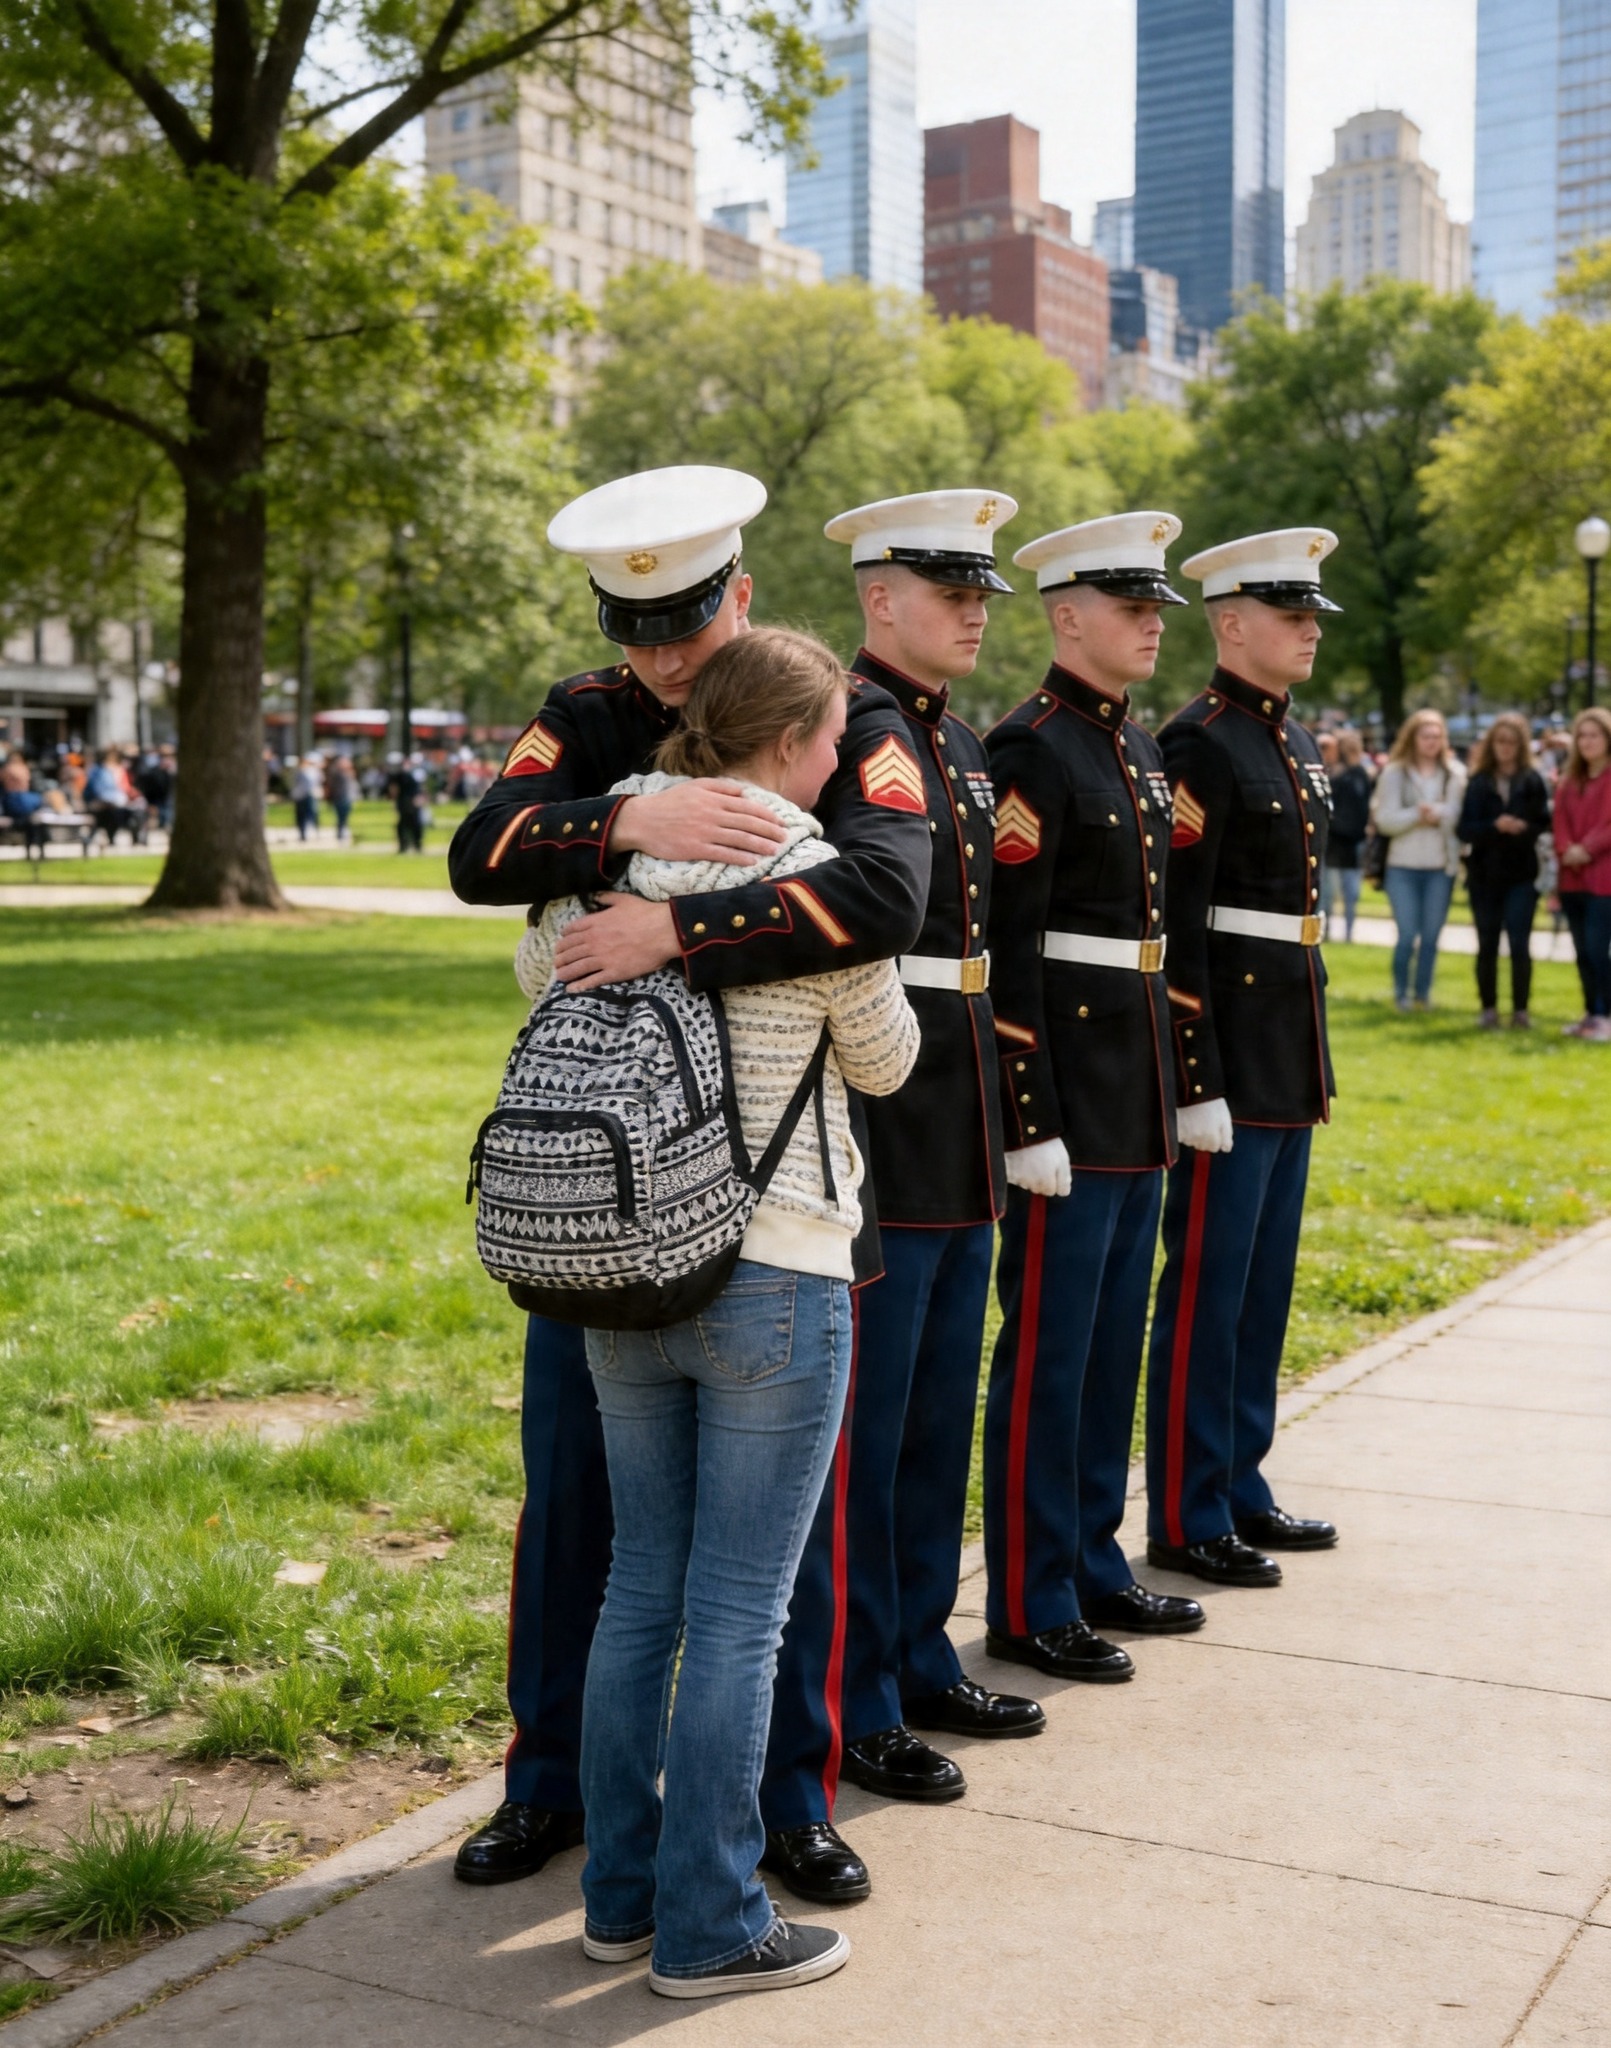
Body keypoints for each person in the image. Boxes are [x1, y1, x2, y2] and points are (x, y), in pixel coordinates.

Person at [445, 467, 928, 1891]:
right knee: (580, 1508)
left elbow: (887, 893)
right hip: (605, 1186)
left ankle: (787, 1798)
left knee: (767, 1550)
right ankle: (555, 1789)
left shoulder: (843, 710)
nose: (662, 657)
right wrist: (623, 826)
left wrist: (676, 931)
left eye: (687, 619)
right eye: (636, 626)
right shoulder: (589, 712)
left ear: (743, 595)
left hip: (765, 1190)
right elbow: (482, 852)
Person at [758, 492, 1042, 1910]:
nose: (975, 607)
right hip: (883, 1115)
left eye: (979, 586)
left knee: (936, 1417)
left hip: (963, 1112)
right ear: (877, 595)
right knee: (863, 1443)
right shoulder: (856, 728)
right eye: (946, 585)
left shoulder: (958, 737)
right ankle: (856, 1697)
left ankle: (918, 1655)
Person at [981, 513, 1206, 1684]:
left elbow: (1153, 942)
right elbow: (1010, 948)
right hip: (1068, 1084)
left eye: (1158, 606)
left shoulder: (1140, 750)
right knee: (1052, 1351)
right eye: (1132, 607)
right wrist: (1030, 1113)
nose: (1153, 624)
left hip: (1133, 1085)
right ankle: (1027, 1592)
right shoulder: (1031, 749)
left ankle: (1091, 1555)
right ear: (1066, 616)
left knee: (1112, 1342)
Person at [1144, 528, 1343, 1590]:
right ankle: (1186, 1505)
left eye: (1313, 613)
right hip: (1230, 1054)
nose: (1311, 628)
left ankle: (1241, 1479)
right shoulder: (1199, 744)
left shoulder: (1296, 741)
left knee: (1262, 1286)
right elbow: (1176, 923)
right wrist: (1197, 1073)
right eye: (1291, 612)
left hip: (1287, 1051)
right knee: (1209, 1289)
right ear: (1230, 623)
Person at [1458, 715, 1550, 1030]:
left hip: (1521, 874)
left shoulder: (1531, 780)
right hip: (1485, 874)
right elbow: (1465, 829)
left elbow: (1543, 823)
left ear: (1521, 745)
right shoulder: (1479, 780)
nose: (1505, 748)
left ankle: (1521, 1009)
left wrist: (1523, 828)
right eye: (1500, 742)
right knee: (1487, 944)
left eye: (1512, 742)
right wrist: (1495, 826)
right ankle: (1489, 1008)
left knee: (1520, 944)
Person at [1372, 709, 1467, 1011]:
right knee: (1407, 933)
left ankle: (1422, 995)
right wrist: (1417, 815)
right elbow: (1385, 819)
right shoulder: (1394, 772)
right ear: (1413, 737)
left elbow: (1457, 814)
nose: (1431, 742)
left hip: (1440, 866)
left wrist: (1435, 813)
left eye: (1437, 736)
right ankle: (1401, 993)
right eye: (1425, 736)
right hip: (1402, 865)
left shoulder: (1454, 773)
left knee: (1430, 936)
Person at [1553, 706, 1611, 1041]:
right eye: (1582, 736)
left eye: (1595, 735)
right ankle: (1591, 1011)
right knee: (1580, 949)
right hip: (1572, 877)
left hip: (1603, 877)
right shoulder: (1569, 781)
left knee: (1597, 947)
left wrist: (1586, 848)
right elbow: (1559, 822)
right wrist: (1567, 849)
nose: (1588, 742)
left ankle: (1605, 1013)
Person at [1323, 729, 1372, 941]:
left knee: (1350, 892)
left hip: (1353, 841)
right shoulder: (1334, 774)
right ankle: (1327, 931)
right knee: (1328, 892)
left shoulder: (1360, 774)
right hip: (1334, 840)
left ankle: (1348, 932)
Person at [2, 749, 48, 860]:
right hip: (19, 805)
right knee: (34, 822)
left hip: (20, 805)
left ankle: (36, 851)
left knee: (33, 822)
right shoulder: (20, 769)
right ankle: (38, 851)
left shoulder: (8, 770)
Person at [292, 755, 323, 841]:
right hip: (300, 796)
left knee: (312, 813)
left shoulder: (313, 772)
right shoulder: (298, 772)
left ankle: (315, 831)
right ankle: (302, 834)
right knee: (301, 815)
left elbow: (318, 781)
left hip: (311, 795)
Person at [327, 754, 356, 841]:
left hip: (347, 797)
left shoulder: (349, 773)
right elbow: (331, 786)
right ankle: (341, 834)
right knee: (340, 817)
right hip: (339, 798)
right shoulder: (335, 773)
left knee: (345, 816)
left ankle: (343, 832)